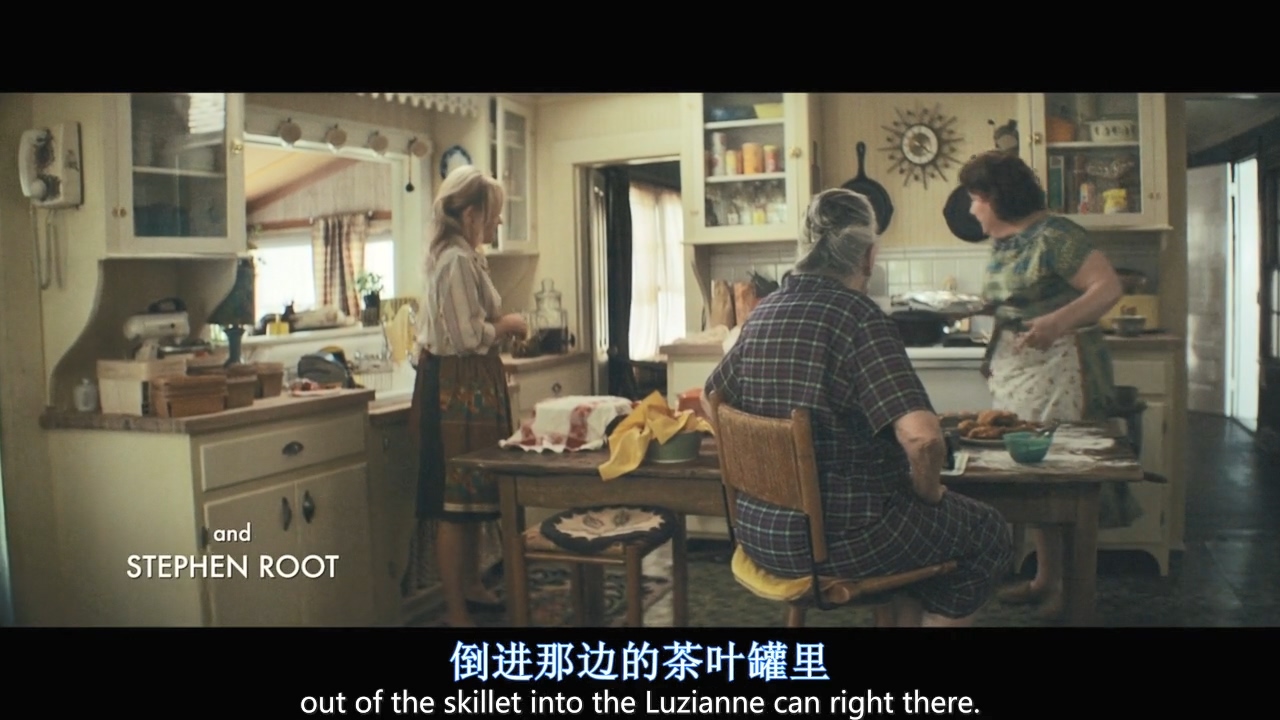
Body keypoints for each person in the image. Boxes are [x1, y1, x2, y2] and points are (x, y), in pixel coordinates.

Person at [703, 188, 1013, 627]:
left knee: (919, 527)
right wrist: (928, 496)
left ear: (806, 247)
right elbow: (924, 441)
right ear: (868, 257)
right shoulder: (860, 318)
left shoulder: (763, 313)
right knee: (987, 531)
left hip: (757, 534)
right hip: (840, 543)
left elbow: (710, 400)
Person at [958, 150, 1143, 619]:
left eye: (975, 198)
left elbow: (1107, 288)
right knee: (1034, 479)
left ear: (997, 198)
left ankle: (1071, 589)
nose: (971, 208)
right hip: (1020, 372)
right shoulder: (1005, 242)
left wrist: (1056, 322)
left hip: (1060, 370)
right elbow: (1020, 297)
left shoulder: (1056, 236)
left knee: (1063, 481)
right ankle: (1044, 577)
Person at [409, 165, 528, 627]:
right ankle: (456, 611)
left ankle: (472, 584)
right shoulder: (455, 261)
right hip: (456, 388)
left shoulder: (464, 257)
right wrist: (508, 325)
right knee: (455, 503)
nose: (498, 222)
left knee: (474, 495)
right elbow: (465, 336)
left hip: (471, 383)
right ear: (471, 214)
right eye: (493, 214)